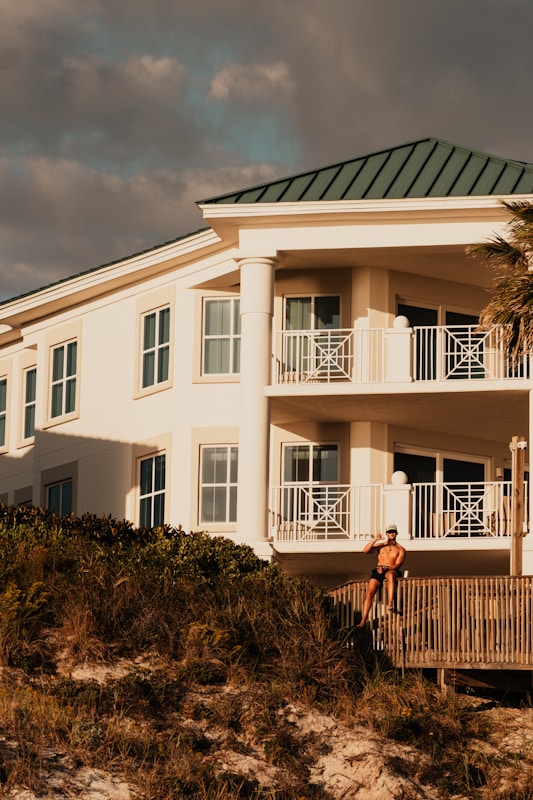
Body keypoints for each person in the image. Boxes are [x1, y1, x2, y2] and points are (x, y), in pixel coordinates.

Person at [356, 523, 406, 627]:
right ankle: (363, 620)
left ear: (396, 533)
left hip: (391, 569)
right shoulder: (381, 546)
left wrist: (387, 568)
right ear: (387, 534)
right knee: (370, 592)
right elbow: (365, 550)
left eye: (393, 532)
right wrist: (375, 539)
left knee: (391, 576)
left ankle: (390, 604)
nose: (391, 534)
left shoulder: (401, 549)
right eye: (389, 532)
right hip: (379, 569)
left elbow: (397, 564)